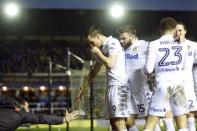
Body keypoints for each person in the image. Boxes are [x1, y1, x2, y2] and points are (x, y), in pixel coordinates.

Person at [76, 26, 129, 131]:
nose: (91, 46)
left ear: (97, 36)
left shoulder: (113, 43)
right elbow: (94, 72)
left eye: (91, 42)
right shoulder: (103, 48)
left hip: (119, 85)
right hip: (112, 86)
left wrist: (98, 53)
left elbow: (110, 63)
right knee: (113, 123)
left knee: (119, 122)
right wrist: (83, 88)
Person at [144, 17, 188, 131]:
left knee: (151, 123)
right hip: (178, 84)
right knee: (182, 123)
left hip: (162, 85)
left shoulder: (154, 44)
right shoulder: (182, 44)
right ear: (174, 29)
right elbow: (184, 66)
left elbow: (148, 69)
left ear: (160, 29)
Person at [117, 25, 161, 131]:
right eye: (120, 39)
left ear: (132, 37)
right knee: (127, 120)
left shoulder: (144, 45)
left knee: (150, 118)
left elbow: (158, 55)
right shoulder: (122, 50)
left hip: (143, 89)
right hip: (128, 89)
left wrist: (153, 73)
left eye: (124, 38)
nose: (121, 41)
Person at [0, 96, 80, 131]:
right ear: (20, 106)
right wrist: (64, 119)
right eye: (27, 107)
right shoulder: (21, 113)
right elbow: (40, 118)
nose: (28, 110)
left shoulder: (4, 108)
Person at [175, 21, 197, 131]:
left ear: (185, 31)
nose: (178, 33)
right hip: (173, 82)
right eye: (176, 30)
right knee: (178, 112)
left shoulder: (193, 45)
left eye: (180, 30)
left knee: (191, 112)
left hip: (188, 82)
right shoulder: (170, 45)